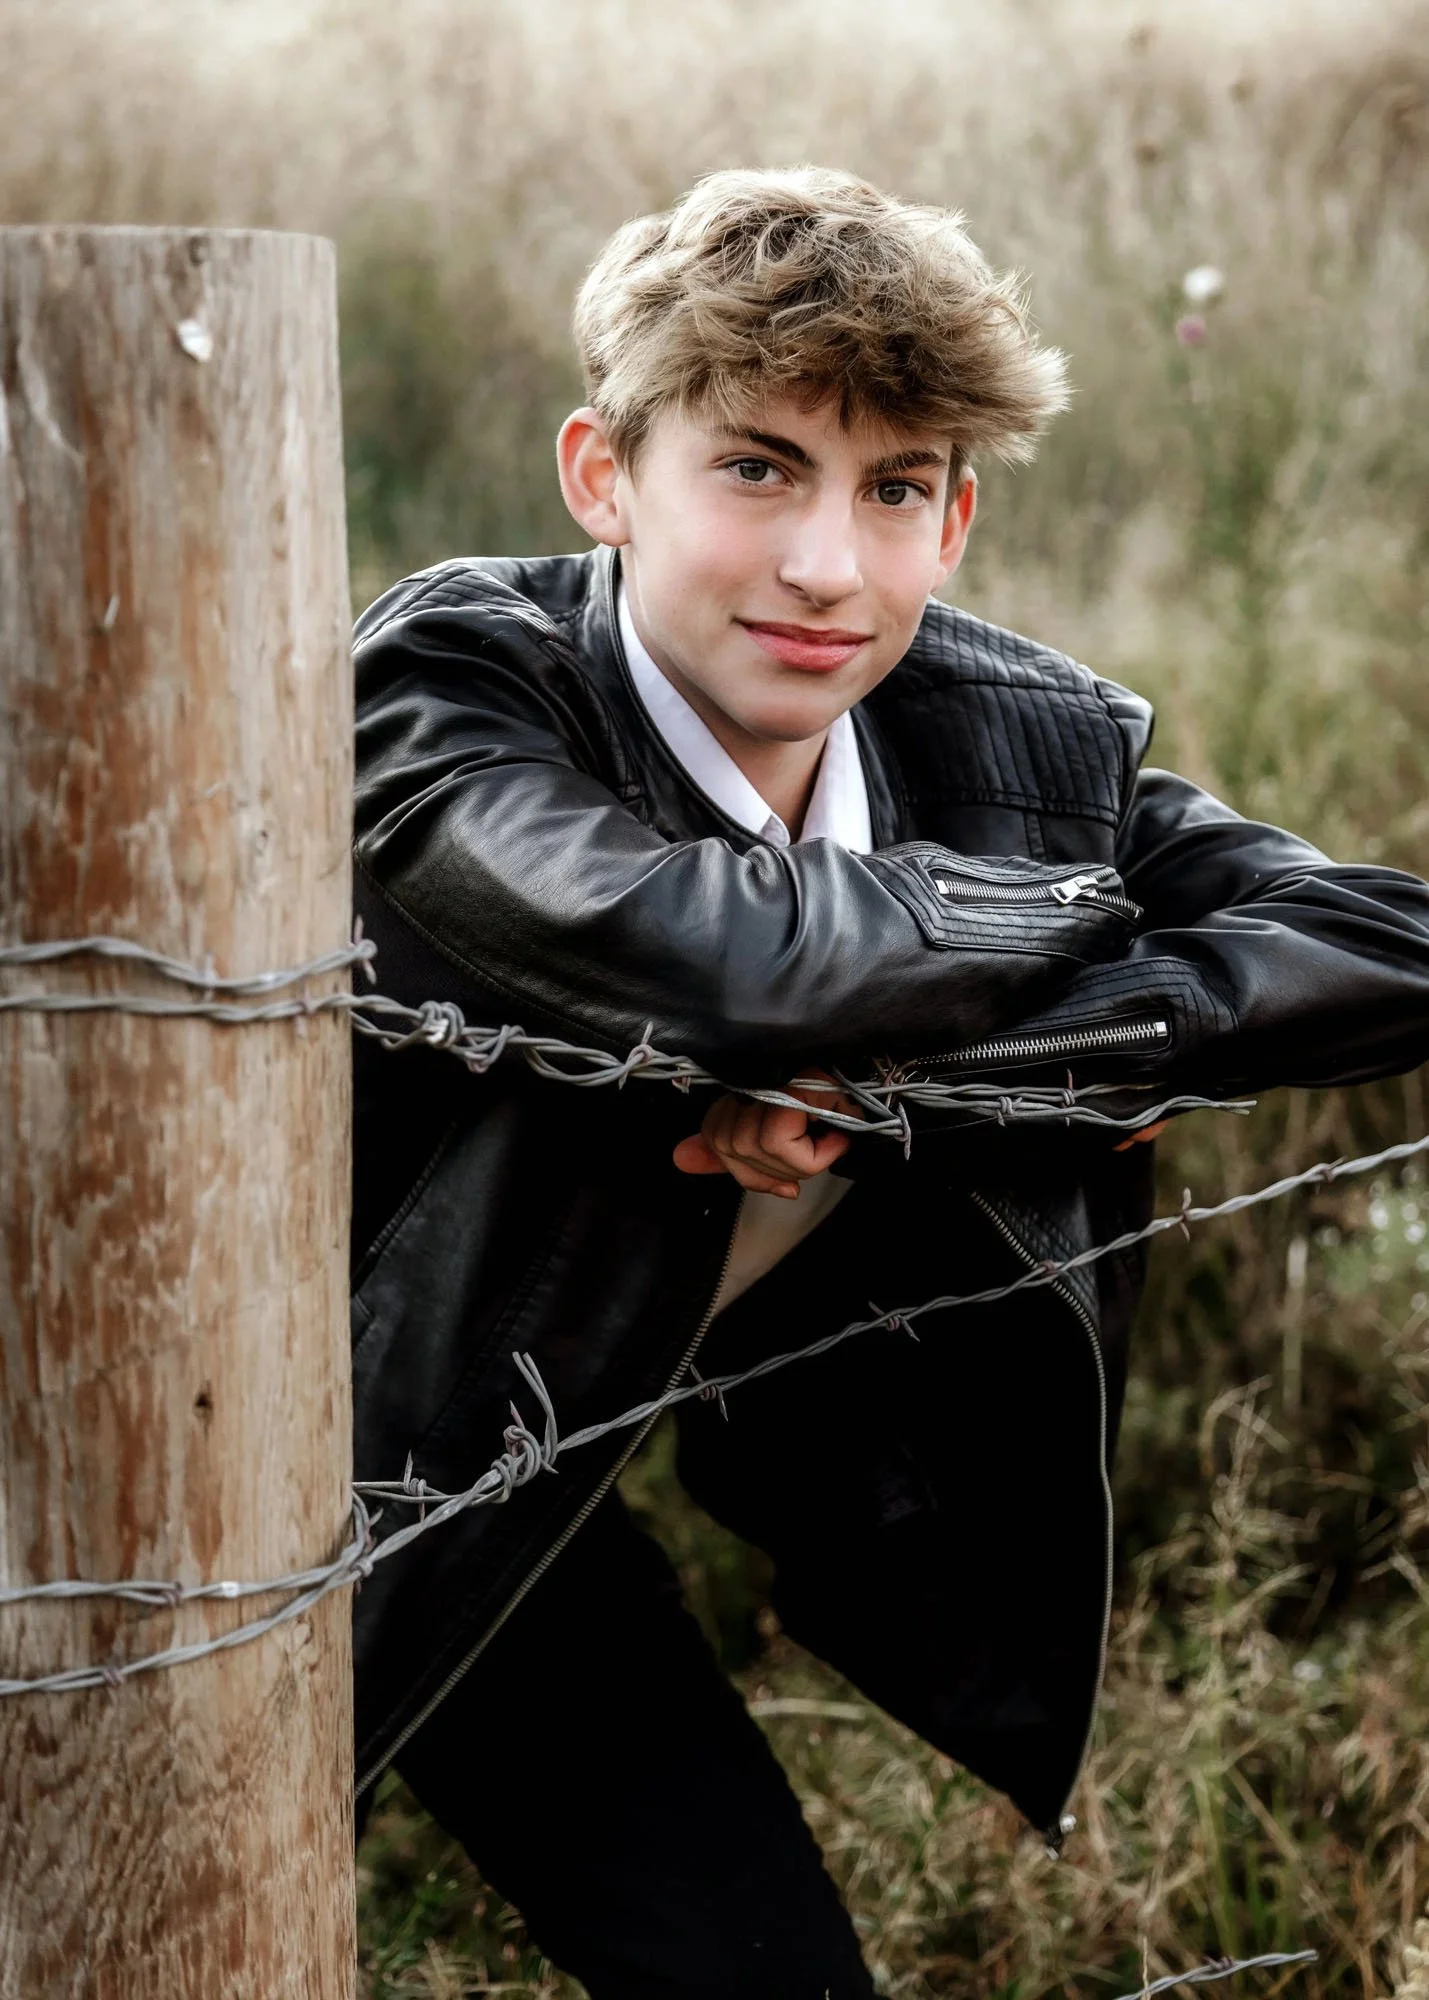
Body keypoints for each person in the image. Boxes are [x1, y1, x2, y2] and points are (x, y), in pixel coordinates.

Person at [348, 167, 1429, 1997]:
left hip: (510, 1480)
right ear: (604, 476)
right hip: (219, 1460)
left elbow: (1387, 940)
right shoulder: (456, 680)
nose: (828, 568)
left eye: (895, 487)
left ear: (957, 518)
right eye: (757, 467)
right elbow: (711, 949)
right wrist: (1055, 945)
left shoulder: (997, 744)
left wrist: (959, 1072)